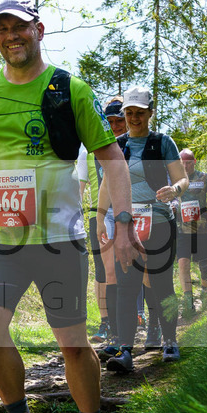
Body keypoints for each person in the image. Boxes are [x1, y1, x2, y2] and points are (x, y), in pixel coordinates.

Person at [0, 0, 142, 413]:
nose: (10, 36)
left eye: (18, 27)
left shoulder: (69, 90)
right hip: (3, 239)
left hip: (59, 240)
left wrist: (122, 225)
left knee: (73, 344)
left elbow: (112, 161)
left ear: (38, 30)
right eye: (1, 29)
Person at [97, 85, 189, 371]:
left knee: (161, 283)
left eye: (140, 113)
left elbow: (182, 179)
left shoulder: (163, 142)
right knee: (127, 285)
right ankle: (125, 350)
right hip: (127, 224)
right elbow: (106, 183)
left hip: (160, 220)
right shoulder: (118, 145)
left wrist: (174, 190)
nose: (134, 118)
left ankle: (170, 341)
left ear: (150, 113)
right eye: (130, 113)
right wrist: (100, 215)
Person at [79, 96, 126, 344]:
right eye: (111, 121)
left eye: (120, 120)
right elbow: (81, 184)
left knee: (133, 267)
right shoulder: (89, 150)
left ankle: (135, 317)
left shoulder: (132, 146)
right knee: (103, 272)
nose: (116, 125)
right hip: (97, 214)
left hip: (129, 212)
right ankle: (107, 323)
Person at [175, 148, 207, 317]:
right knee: (183, 263)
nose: (186, 166)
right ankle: (188, 303)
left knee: (204, 264)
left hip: (201, 229)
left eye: (189, 163)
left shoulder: (203, 178)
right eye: (183, 163)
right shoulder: (175, 179)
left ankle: (205, 292)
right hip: (181, 230)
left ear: (194, 162)